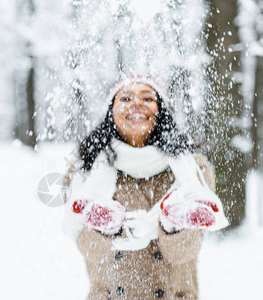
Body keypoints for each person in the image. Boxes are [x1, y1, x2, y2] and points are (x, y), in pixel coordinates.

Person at [61, 75, 227, 299]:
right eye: (126, 98)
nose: (136, 103)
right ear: (111, 112)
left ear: (161, 112)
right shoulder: (86, 168)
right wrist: (105, 228)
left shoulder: (192, 169)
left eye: (147, 98)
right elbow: (89, 250)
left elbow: (184, 253)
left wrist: (172, 224)